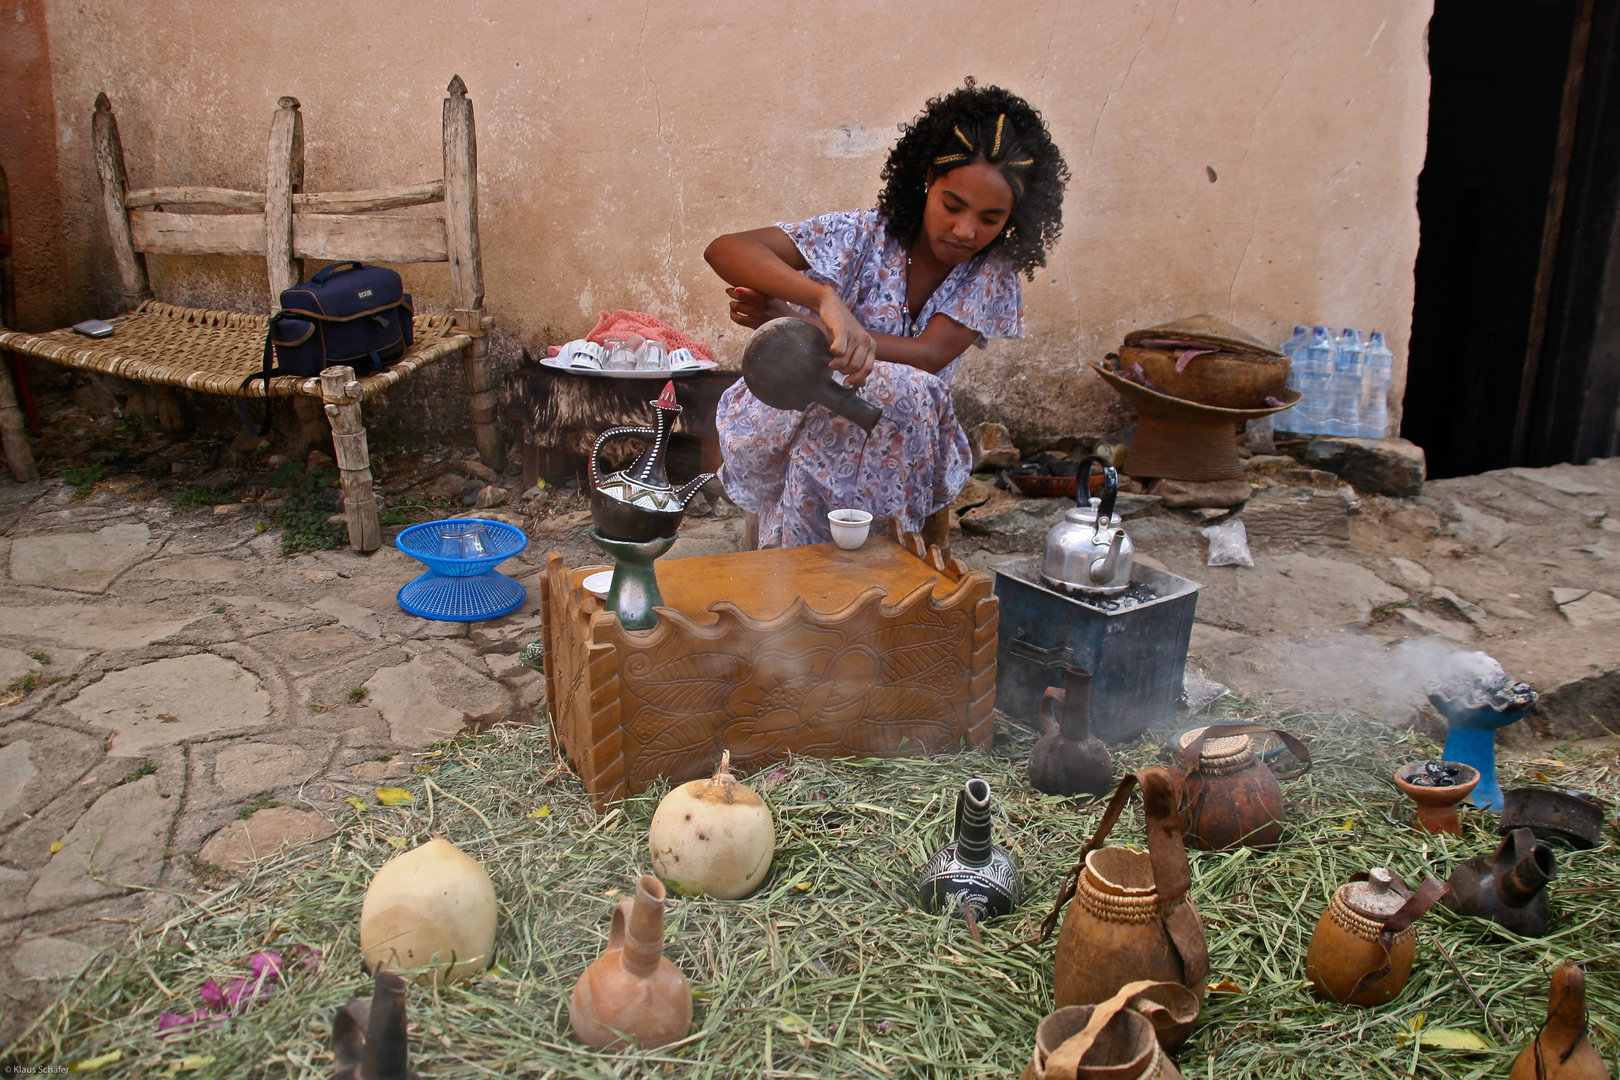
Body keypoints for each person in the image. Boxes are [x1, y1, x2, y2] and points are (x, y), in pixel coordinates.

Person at [705, 80, 1070, 549]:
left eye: (990, 218)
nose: (965, 230)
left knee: (906, 390)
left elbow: (928, 356)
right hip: (800, 410)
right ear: (926, 181)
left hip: (898, 434)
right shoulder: (862, 235)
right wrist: (821, 299)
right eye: (952, 205)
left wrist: (804, 329)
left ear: (1012, 219)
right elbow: (726, 249)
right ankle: (802, 570)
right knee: (890, 399)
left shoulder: (991, 273)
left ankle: (878, 578)